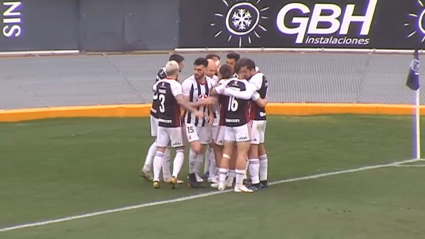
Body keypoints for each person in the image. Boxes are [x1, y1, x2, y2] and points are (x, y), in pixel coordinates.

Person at [203, 63, 264, 193]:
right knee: (241, 154)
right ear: (243, 71)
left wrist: (225, 90)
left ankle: (221, 183)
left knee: (226, 153)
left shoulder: (228, 83)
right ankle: (238, 184)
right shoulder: (247, 85)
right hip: (241, 123)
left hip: (228, 122)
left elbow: (214, 92)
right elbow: (248, 96)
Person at [151, 60, 204, 189]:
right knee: (180, 149)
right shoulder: (175, 85)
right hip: (173, 122)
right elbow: (180, 101)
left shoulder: (158, 84)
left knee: (160, 150)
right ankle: (174, 175)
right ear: (176, 72)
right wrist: (194, 111)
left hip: (161, 121)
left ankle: (156, 178)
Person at [140, 54, 185, 184]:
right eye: (182, 64)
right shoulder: (171, 78)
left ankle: (162, 173)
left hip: (157, 110)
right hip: (163, 112)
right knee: (162, 143)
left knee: (161, 142)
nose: (183, 66)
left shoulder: (163, 74)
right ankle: (151, 168)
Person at [182, 57, 215, 187]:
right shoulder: (187, 83)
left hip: (204, 121)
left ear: (206, 70)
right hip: (190, 121)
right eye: (195, 69)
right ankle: (191, 174)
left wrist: (211, 114)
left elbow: (212, 100)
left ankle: (195, 174)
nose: (196, 72)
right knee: (195, 147)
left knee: (201, 148)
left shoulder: (211, 83)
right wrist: (200, 104)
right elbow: (184, 104)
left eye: (199, 69)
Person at [237, 58, 269, 191]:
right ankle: (263, 178)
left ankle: (255, 181)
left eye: (245, 71)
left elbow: (249, 92)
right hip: (261, 116)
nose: (244, 74)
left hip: (254, 117)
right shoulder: (260, 77)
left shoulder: (256, 78)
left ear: (252, 70)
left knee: (253, 149)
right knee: (260, 147)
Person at [204, 59, 220, 183]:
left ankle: (211, 172)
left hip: (214, 117)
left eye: (214, 71)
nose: (212, 73)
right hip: (203, 118)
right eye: (210, 70)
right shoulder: (194, 82)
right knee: (206, 146)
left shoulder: (214, 81)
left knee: (214, 146)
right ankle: (207, 172)